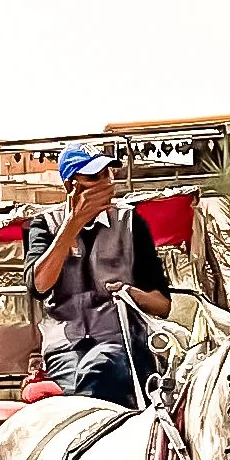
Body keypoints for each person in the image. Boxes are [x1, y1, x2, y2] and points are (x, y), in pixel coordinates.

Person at [31, 142, 170, 407]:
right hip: (65, 350)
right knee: (73, 387)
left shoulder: (131, 223)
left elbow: (163, 305)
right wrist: (72, 225)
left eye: (107, 174)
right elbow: (39, 285)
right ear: (72, 186)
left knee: (100, 369)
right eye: (95, 177)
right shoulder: (44, 226)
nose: (105, 183)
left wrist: (130, 293)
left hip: (122, 345)